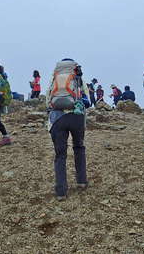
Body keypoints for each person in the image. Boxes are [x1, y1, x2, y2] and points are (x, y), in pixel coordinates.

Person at [46, 58, 89, 201]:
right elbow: (87, 99)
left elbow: (48, 99)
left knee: (60, 155)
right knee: (79, 147)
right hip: (76, 117)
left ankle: (61, 192)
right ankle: (81, 181)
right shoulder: (77, 78)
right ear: (74, 67)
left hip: (57, 118)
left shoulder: (55, 79)